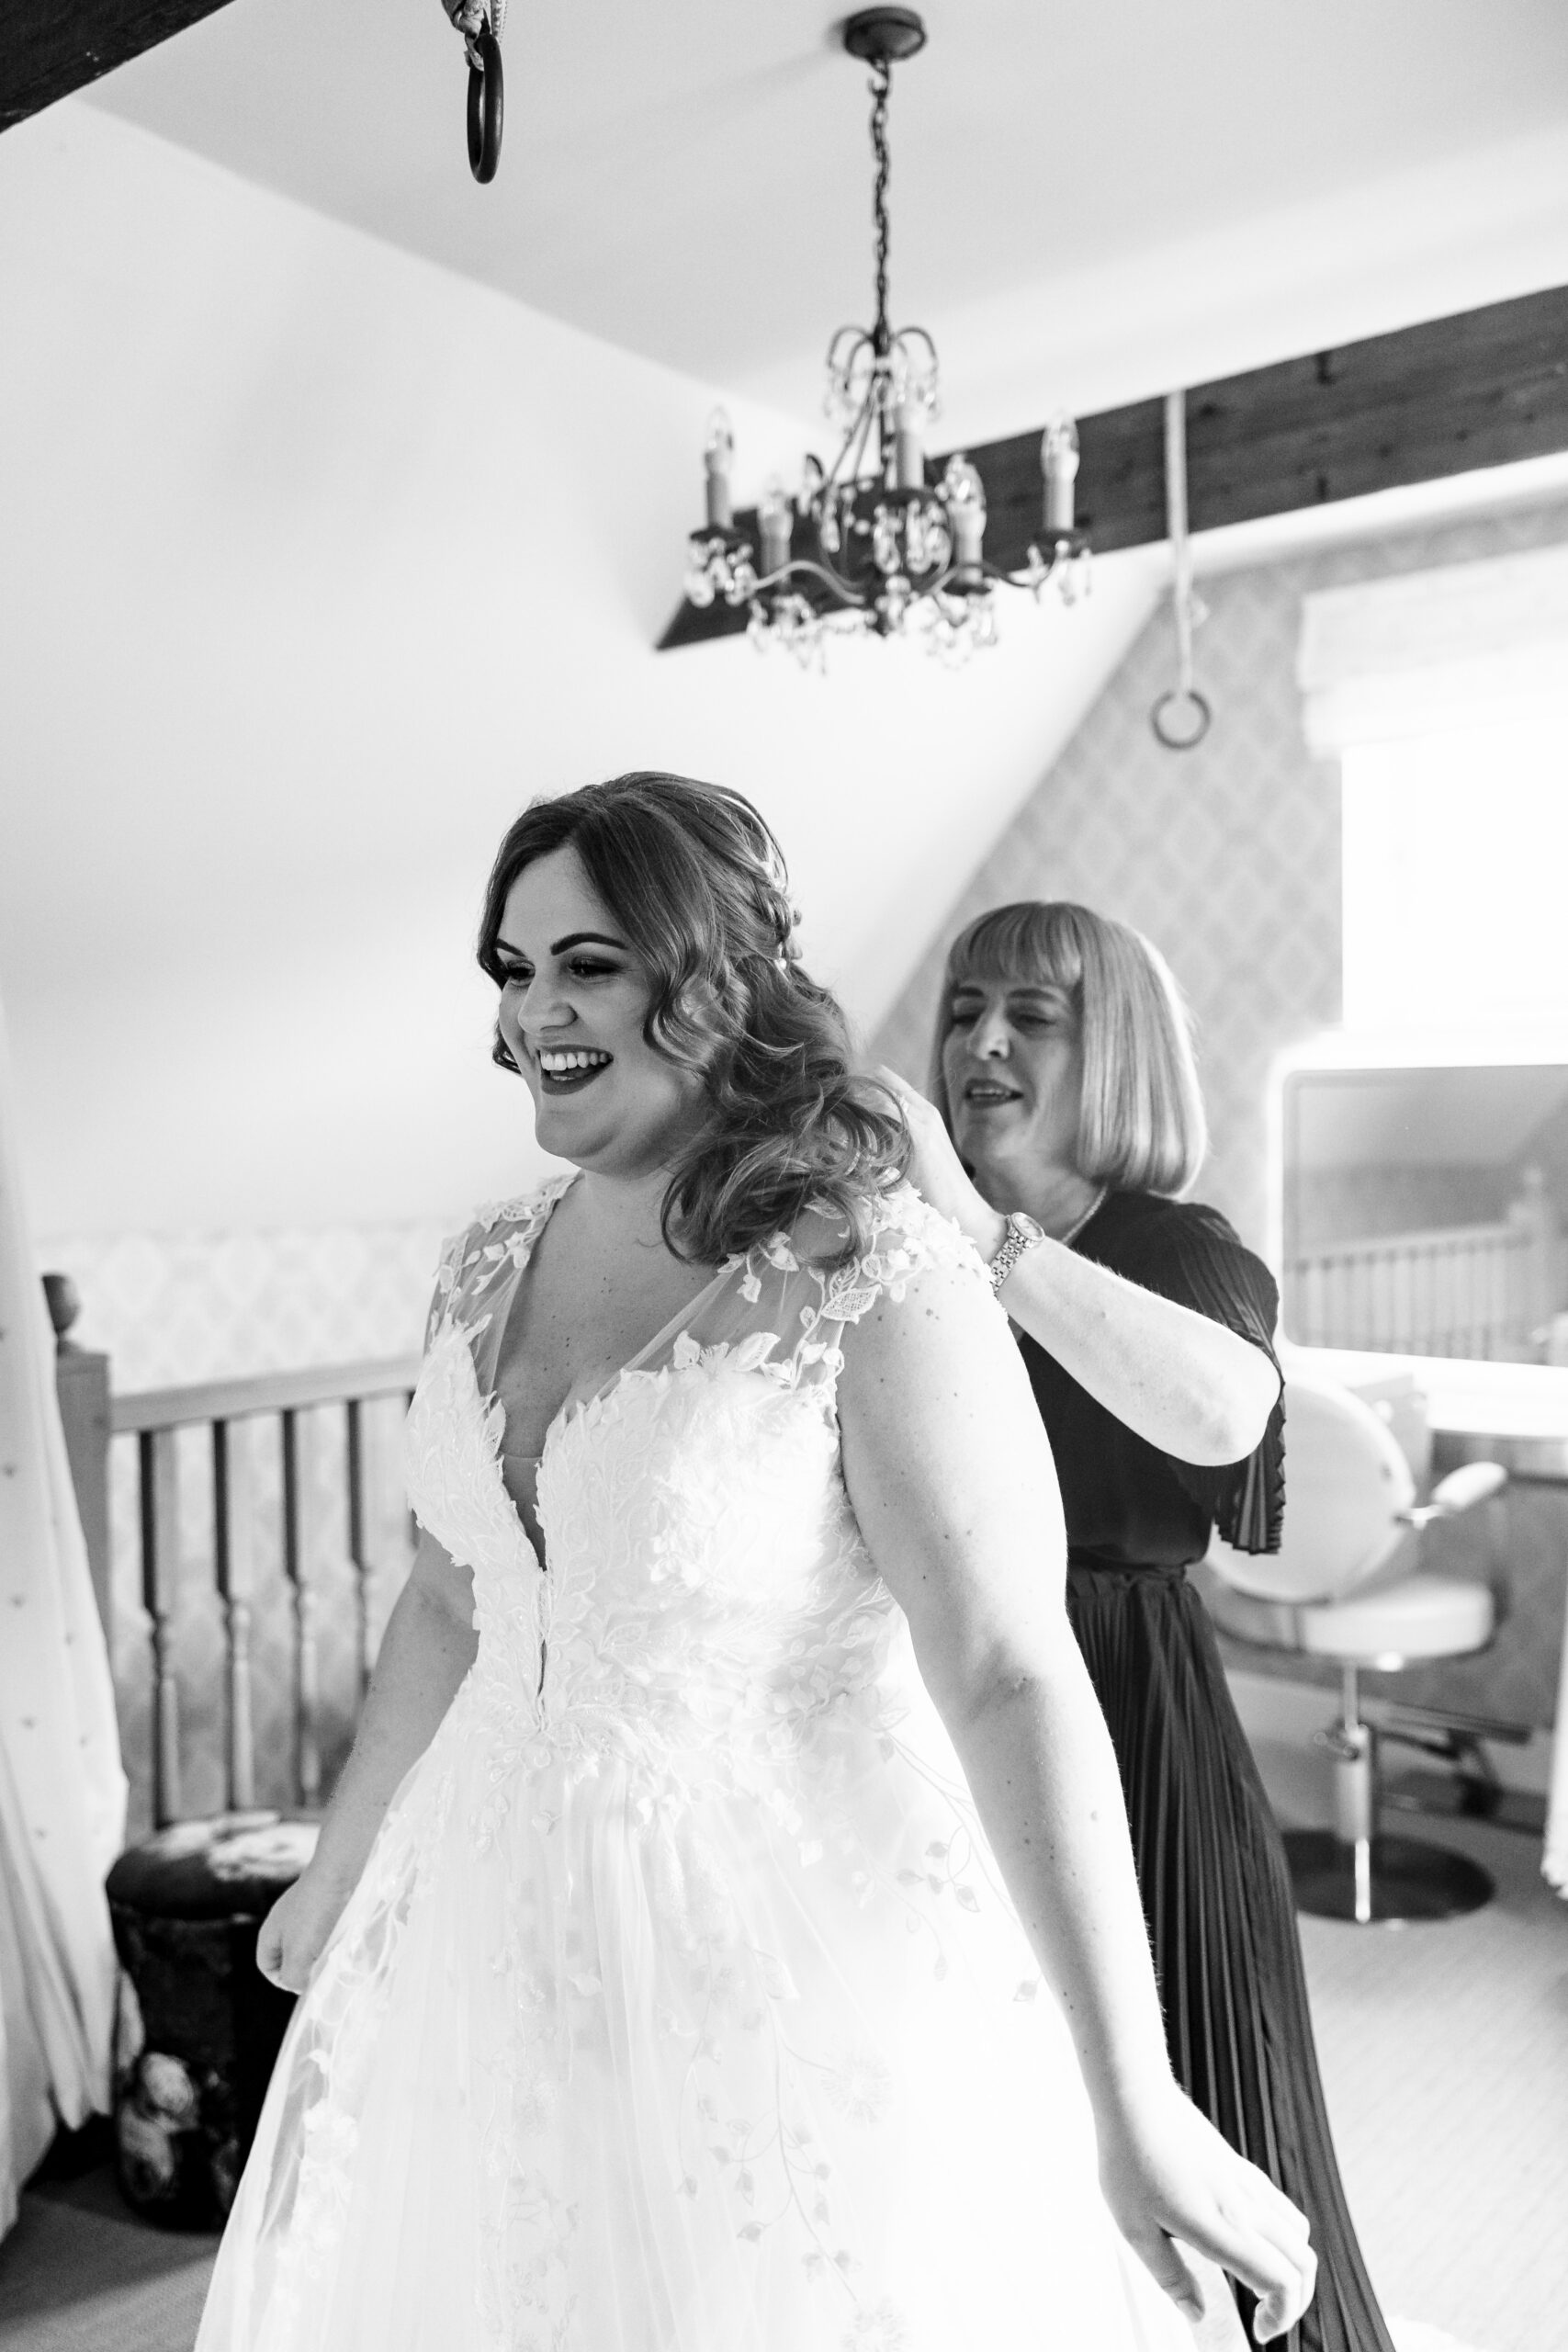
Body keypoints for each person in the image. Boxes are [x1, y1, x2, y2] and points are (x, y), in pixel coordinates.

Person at [195, 780, 1314, 2352]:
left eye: (586, 963)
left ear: (709, 972)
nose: (535, 1014)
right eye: (511, 972)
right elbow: (453, 1594)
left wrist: (1129, 2092)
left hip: (773, 1959)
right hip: (488, 1916)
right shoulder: (480, 1263)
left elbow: (1004, 1663)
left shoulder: (871, 1263)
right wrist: (343, 1856)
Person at [884, 899, 1391, 2352]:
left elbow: (1224, 1413)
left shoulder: (1178, 1249)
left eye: (1030, 1017)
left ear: (1112, 1050)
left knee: (1203, 2095)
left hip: (1128, 1711)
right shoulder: (894, 1246)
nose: (979, 1044)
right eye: (966, 1008)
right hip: (928, 1708)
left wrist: (988, 1234)